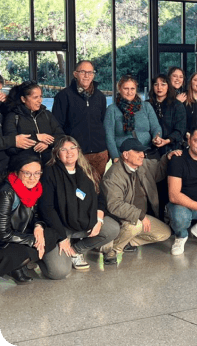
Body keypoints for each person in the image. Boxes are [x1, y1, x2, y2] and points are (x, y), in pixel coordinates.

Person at [38, 137, 120, 276]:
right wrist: (62, 238)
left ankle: (76, 250)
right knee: (59, 272)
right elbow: (47, 208)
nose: (69, 152)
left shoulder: (87, 170)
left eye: (72, 148)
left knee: (112, 228)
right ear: (57, 153)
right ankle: (43, 258)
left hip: (82, 223)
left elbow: (100, 198)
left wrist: (99, 220)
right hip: (59, 228)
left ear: (78, 150)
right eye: (63, 149)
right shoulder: (50, 173)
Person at [100, 138, 174, 264]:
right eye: (138, 152)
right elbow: (114, 205)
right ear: (126, 155)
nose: (142, 155)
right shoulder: (114, 175)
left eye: (143, 152)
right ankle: (113, 249)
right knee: (136, 225)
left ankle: (126, 241)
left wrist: (168, 157)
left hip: (139, 216)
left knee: (164, 233)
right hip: (118, 219)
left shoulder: (142, 164)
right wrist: (140, 215)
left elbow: (159, 170)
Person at [0, 152, 58, 283]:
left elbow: (35, 214)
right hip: (3, 242)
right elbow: (3, 234)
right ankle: (13, 266)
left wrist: (38, 226)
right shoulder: (6, 192)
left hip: (17, 236)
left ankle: (16, 266)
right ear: (16, 172)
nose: (33, 178)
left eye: (37, 173)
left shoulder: (34, 189)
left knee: (51, 234)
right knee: (36, 244)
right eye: (27, 173)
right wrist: (33, 240)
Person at [52, 60, 109, 183]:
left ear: (93, 75)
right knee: (77, 190)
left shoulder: (100, 97)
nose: (87, 76)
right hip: (76, 154)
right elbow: (56, 127)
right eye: (83, 72)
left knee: (97, 190)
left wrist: (106, 152)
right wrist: (66, 151)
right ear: (75, 74)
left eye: (90, 72)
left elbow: (104, 123)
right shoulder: (63, 96)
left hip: (99, 154)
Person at [103, 75, 162, 163]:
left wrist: (157, 137)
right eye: (126, 88)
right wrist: (115, 157)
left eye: (132, 89)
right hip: (123, 156)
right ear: (119, 89)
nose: (129, 92)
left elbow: (156, 127)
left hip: (146, 153)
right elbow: (109, 136)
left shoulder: (146, 106)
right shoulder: (112, 109)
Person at [3, 81, 64, 164]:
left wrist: (48, 143)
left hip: (49, 166)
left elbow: (61, 137)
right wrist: (36, 138)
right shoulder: (13, 117)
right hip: (24, 168)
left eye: (41, 96)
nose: (40, 100)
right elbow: (11, 148)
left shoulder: (47, 114)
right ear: (23, 99)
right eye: (35, 97)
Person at [148, 73, 186, 155]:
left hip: (172, 148)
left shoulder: (177, 105)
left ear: (168, 86)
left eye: (163, 84)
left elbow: (180, 130)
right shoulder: (147, 105)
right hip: (150, 149)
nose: (159, 88)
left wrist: (167, 141)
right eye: (156, 84)